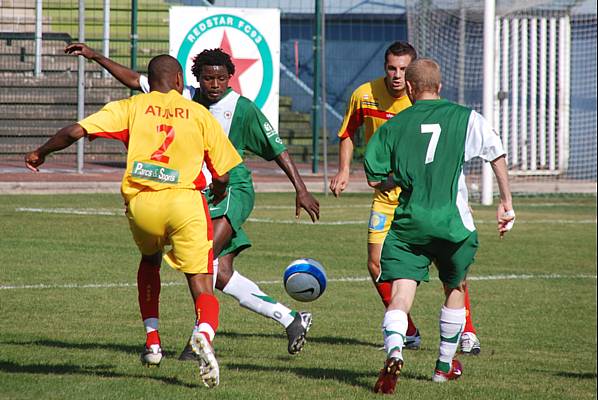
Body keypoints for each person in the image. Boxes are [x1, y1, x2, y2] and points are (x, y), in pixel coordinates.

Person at [64, 43, 320, 357]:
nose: (215, 85)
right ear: (193, 78)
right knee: (220, 273)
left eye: (221, 79)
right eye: (208, 79)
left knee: (202, 260)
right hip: (201, 194)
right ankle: (292, 319)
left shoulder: (242, 108)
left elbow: (277, 148)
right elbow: (133, 79)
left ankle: (199, 338)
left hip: (233, 189)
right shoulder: (182, 97)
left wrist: (301, 188)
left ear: (230, 78)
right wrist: (97, 56)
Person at [24, 55, 243, 388]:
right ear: (180, 80)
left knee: (149, 260)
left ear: (150, 79)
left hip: (142, 203)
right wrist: (218, 190)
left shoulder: (131, 107)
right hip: (186, 201)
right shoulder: (198, 113)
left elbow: (74, 131)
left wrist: (42, 152)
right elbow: (224, 173)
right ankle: (203, 333)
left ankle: (153, 343)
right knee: (201, 279)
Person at [364, 58, 515, 393]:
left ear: (411, 88)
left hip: (409, 225)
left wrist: (397, 179)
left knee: (401, 295)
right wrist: (506, 202)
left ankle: (394, 350)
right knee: (456, 288)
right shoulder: (465, 117)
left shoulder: (395, 124)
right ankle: (443, 368)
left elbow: (374, 176)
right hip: (452, 225)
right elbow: (496, 152)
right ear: (440, 87)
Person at [329, 41, 481, 354]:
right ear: (384, 68)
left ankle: (467, 331)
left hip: (425, 197)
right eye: (391, 68)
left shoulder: (423, 102)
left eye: (403, 69)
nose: (397, 75)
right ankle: (406, 328)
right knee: (375, 264)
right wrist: (344, 170)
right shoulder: (364, 95)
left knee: (449, 268)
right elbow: (348, 131)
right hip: (386, 196)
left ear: (412, 76)